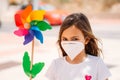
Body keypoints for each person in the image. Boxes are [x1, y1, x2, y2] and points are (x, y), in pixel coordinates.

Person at [45, 13, 111, 80]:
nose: (69, 43)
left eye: (75, 39)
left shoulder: (97, 64)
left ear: (86, 40)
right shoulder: (56, 65)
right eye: (65, 39)